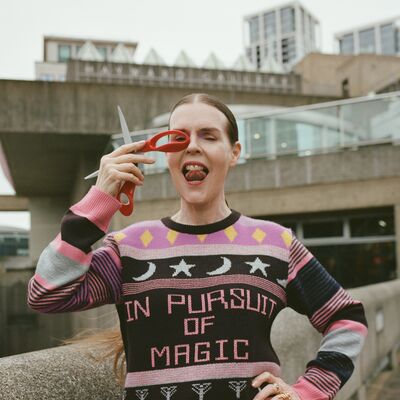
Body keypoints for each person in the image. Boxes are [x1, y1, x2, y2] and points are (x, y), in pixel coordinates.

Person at [28, 93, 368, 400]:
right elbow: (46, 294)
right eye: (179, 138)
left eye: (208, 135)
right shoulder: (127, 247)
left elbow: (347, 317)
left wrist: (308, 392)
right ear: (165, 154)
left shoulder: (275, 243)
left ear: (234, 152)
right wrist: (99, 200)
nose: (192, 146)